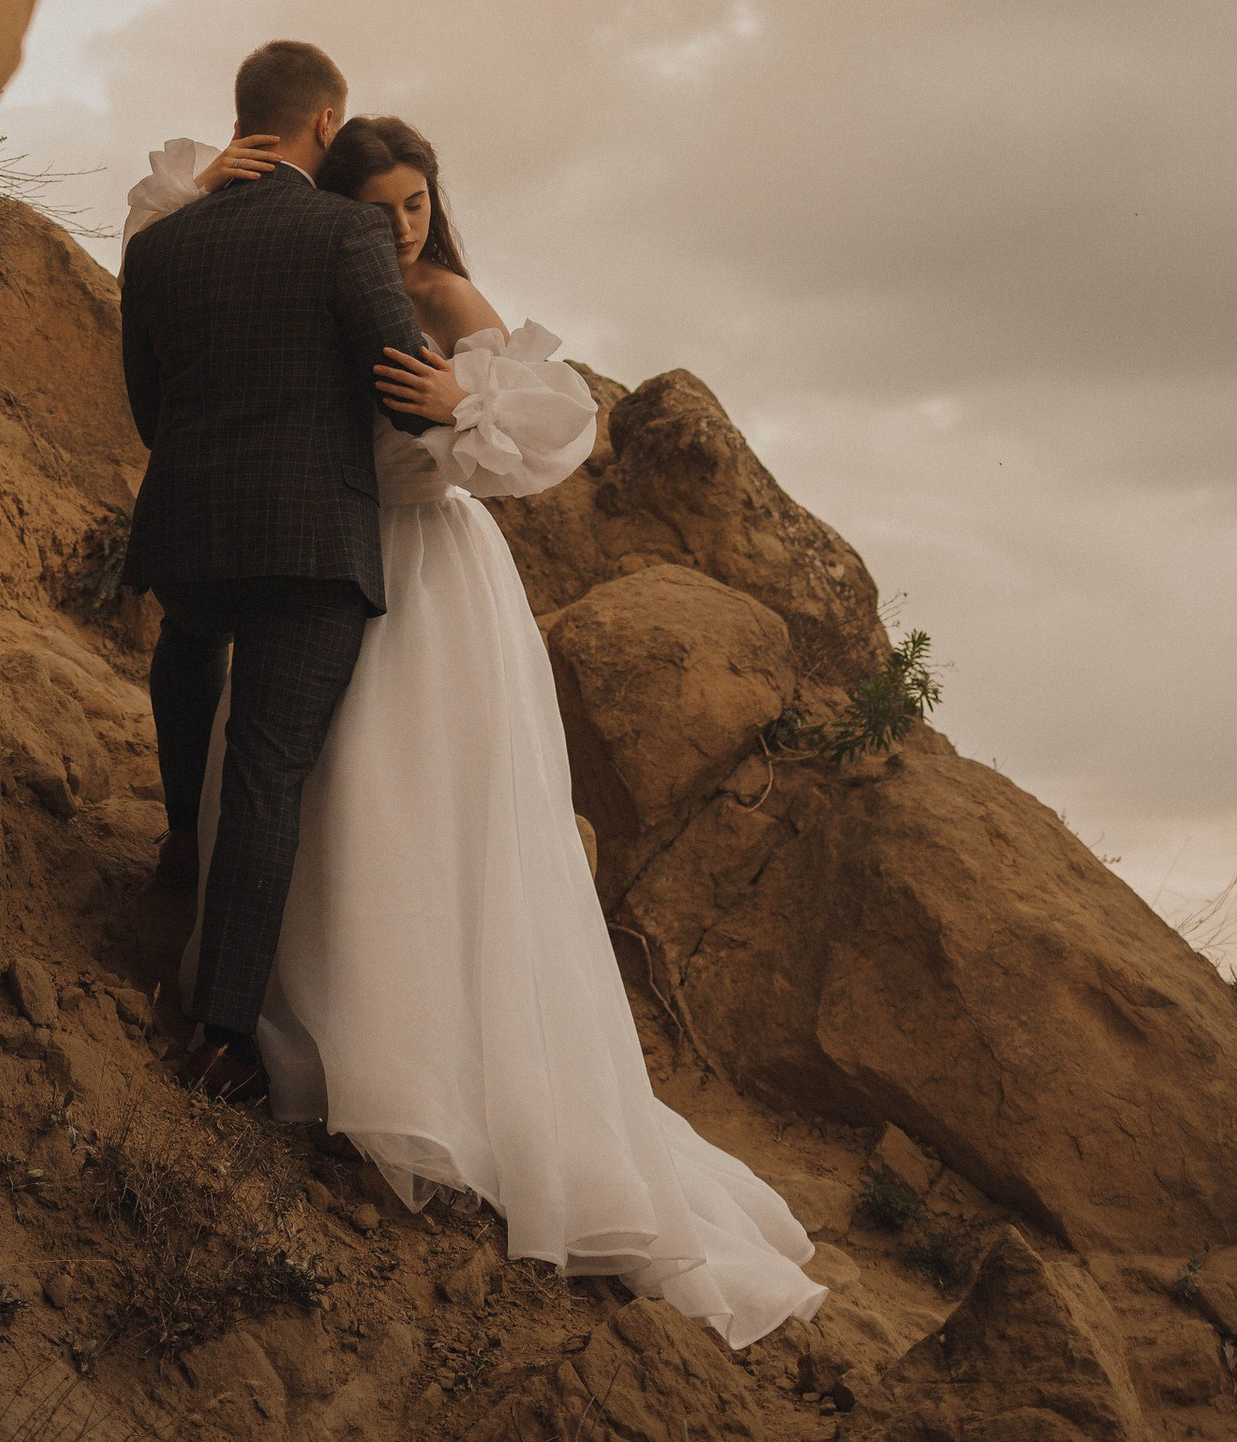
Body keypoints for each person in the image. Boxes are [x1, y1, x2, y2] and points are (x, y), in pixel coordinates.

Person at [123, 109, 825, 1354]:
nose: (401, 227)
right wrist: (208, 183)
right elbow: (180, 260)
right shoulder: (308, 269)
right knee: (312, 790)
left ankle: (421, 1065)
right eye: (378, 206)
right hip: (324, 557)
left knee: (412, 806)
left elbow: (546, 438)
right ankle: (296, 1009)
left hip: (430, 579)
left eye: (416, 202)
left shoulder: (445, 295)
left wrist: (460, 399)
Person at [116, 39, 426, 1105]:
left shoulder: (161, 247)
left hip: (188, 524)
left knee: (189, 641)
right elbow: (401, 392)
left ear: (243, 114)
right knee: (266, 772)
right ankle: (222, 1036)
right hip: (309, 544)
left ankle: (180, 837)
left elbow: (148, 412)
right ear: (326, 123)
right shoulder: (349, 233)